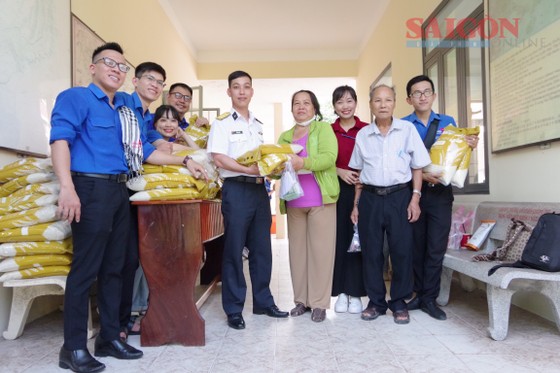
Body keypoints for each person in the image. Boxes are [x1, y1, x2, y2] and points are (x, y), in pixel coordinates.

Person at [50, 42, 207, 373]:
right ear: (92, 68)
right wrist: (67, 188)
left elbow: (146, 151)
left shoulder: (125, 109)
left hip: (122, 191)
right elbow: (60, 140)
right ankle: (74, 348)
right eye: (109, 63)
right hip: (89, 187)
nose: (116, 69)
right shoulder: (75, 98)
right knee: (86, 269)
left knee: (116, 267)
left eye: (122, 66)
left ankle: (109, 338)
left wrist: (186, 158)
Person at [207, 70, 288, 330]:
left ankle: (264, 302)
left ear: (252, 91)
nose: (242, 91)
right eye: (236, 87)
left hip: (259, 191)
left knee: (262, 249)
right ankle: (234, 309)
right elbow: (219, 158)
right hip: (236, 189)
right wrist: (250, 170)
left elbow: (261, 160)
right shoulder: (222, 123)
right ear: (229, 92)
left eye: (246, 87)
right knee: (233, 250)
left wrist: (270, 169)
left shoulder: (258, 124)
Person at [349, 84, 430, 325]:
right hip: (371, 198)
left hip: (399, 196)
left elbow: (417, 166)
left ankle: (398, 302)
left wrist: (415, 198)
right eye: (377, 100)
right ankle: (376, 302)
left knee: (402, 250)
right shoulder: (363, 135)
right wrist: (356, 205)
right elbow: (359, 173)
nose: (382, 104)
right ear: (371, 104)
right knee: (372, 252)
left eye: (387, 100)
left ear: (395, 103)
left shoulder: (407, 130)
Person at [402, 75, 478, 321]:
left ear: (434, 96)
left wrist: (469, 144)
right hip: (412, 193)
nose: (422, 96)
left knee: (436, 247)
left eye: (427, 92)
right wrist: (421, 177)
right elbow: (398, 161)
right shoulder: (402, 125)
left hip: (441, 195)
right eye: (417, 93)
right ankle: (418, 293)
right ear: (409, 99)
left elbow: (455, 154)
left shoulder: (448, 122)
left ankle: (429, 299)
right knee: (415, 246)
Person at [277, 89, 339, 323]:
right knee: (297, 254)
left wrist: (304, 162)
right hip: (294, 201)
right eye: (296, 103)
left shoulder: (323, 129)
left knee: (321, 253)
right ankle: (301, 301)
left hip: (320, 199)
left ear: (314, 108)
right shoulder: (285, 136)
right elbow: (276, 164)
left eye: (306, 103)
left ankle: (320, 303)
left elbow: (329, 157)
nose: (301, 107)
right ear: (292, 108)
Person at [118, 61, 167, 343]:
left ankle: (126, 320)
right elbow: (146, 150)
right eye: (149, 79)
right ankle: (119, 324)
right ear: (135, 81)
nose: (155, 85)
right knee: (123, 260)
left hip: (130, 190)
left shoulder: (146, 116)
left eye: (160, 82)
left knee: (132, 257)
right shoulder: (124, 104)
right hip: (112, 187)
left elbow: (154, 141)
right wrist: (184, 159)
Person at [330, 86, 368, 314]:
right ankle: (341, 292)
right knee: (340, 241)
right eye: (340, 102)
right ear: (334, 106)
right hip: (336, 192)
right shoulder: (327, 131)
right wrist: (339, 171)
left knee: (360, 242)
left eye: (349, 100)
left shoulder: (365, 129)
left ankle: (356, 293)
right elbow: (320, 159)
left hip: (363, 191)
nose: (345, 106)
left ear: (356, 102)